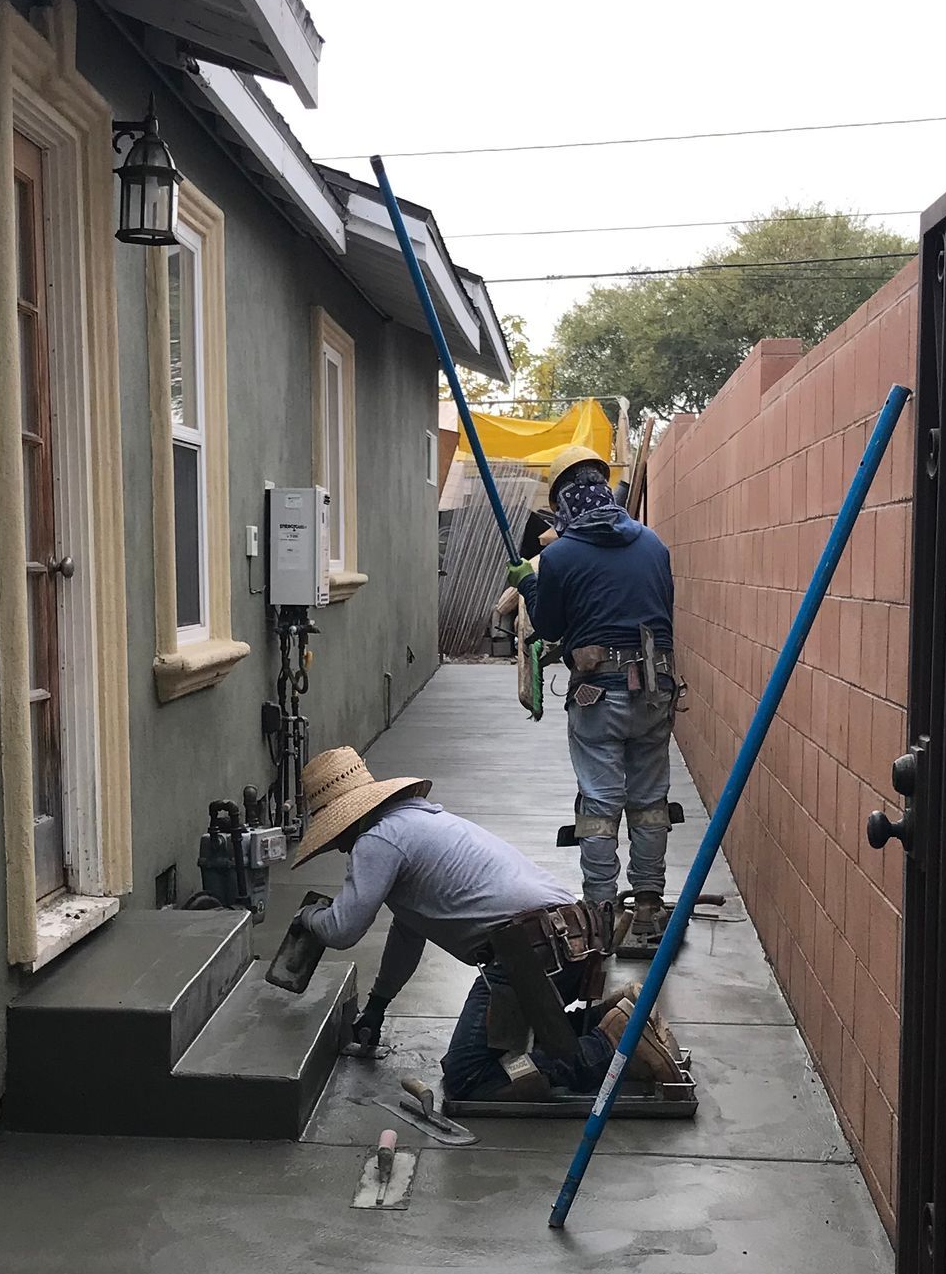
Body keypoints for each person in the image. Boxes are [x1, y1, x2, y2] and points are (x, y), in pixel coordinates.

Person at [273, 745, 681, 1104]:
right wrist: (377, 1007)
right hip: (568, 938)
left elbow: (343, 929)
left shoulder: (378, 840)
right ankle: (616, 1017)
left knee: (469, 1075)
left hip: (529, 954)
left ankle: (611, 1045)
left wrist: (307, 918)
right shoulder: (415, 822)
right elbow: (408, 935)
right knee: (510, 1051)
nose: (337, 846)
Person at [510, 443, 679, 950]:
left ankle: (602, 916)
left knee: (601, 806)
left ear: (563, 499)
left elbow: (551, 625)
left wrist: (528, 585)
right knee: (649, 803)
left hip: (598, 696)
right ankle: (649, 908)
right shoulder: (653, 544)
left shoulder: (559, 555)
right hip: (655, 689)